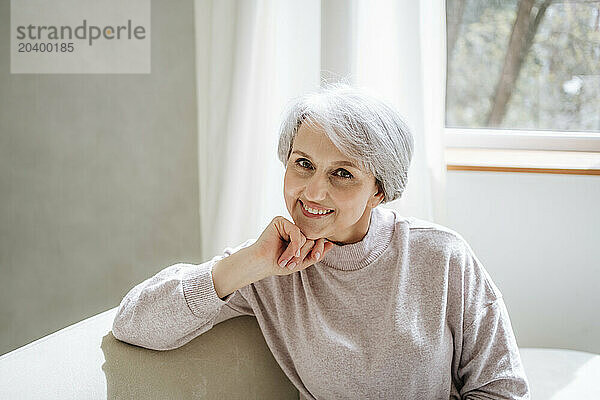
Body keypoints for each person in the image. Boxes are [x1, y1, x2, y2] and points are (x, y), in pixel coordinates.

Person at [112, 83, 531, 399]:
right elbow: (134, 323)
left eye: (342, 173)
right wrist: (247, 264)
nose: (312, 192)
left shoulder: (440, 257)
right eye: (303, 164)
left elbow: (503, 387)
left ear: (380, 191)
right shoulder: (270, 266)